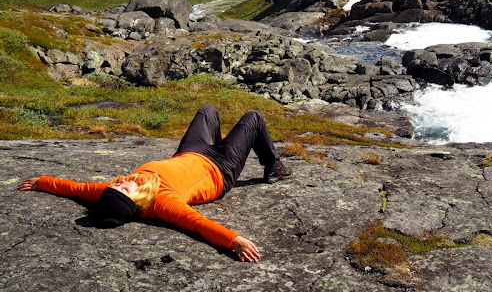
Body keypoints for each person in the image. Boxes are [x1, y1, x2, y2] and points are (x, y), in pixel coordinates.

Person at [17, 104, 291, 263]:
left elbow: (75, 188)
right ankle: (274, 166)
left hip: (190, 152)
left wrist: (42, 181)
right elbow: (197, 224)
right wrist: (234, 240)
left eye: (116, 186)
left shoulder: (112, 191)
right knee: (253, 117)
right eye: (124, 189)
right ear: (135, 201)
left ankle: (222, 142)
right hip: (220, 169)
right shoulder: (162, 202)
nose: (121, 182)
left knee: (208, 110)